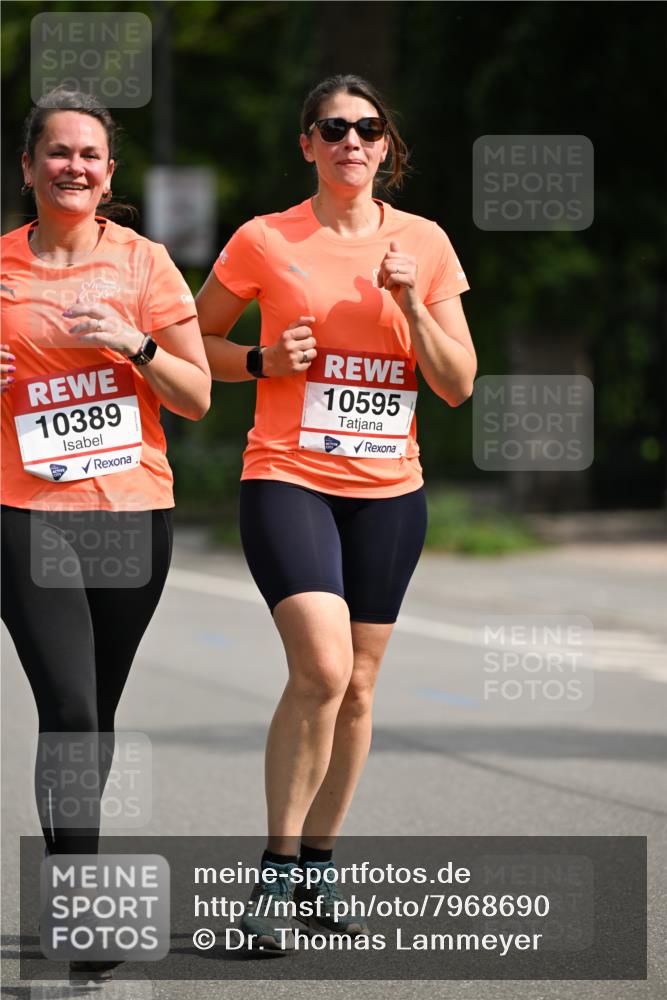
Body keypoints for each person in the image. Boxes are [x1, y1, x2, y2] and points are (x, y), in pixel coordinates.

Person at [196, 73, 475, 950]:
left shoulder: (422, 244)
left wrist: (405, 303)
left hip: (390, 490)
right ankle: (273, 878)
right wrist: (263, 359)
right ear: (307, 145)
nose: (350, 140)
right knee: (320, 668)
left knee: (357, 685)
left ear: (385, 146)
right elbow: (196, 346)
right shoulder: (263, 239)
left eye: (366, 127)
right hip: (287, 476)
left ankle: (317, 867)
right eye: (331, 128)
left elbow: (457, 384)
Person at [0, 88, 210, 979]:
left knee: (94, 716)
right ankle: (82, 910)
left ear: (109, 172)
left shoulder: (145, 262)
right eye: (57, 152)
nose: (74, 167)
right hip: (27, 513)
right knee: (74, 711)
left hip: (133, 516)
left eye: (89, 155)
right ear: (29, 167)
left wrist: (135, 343)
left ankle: (65, 878)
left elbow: (198, 396)